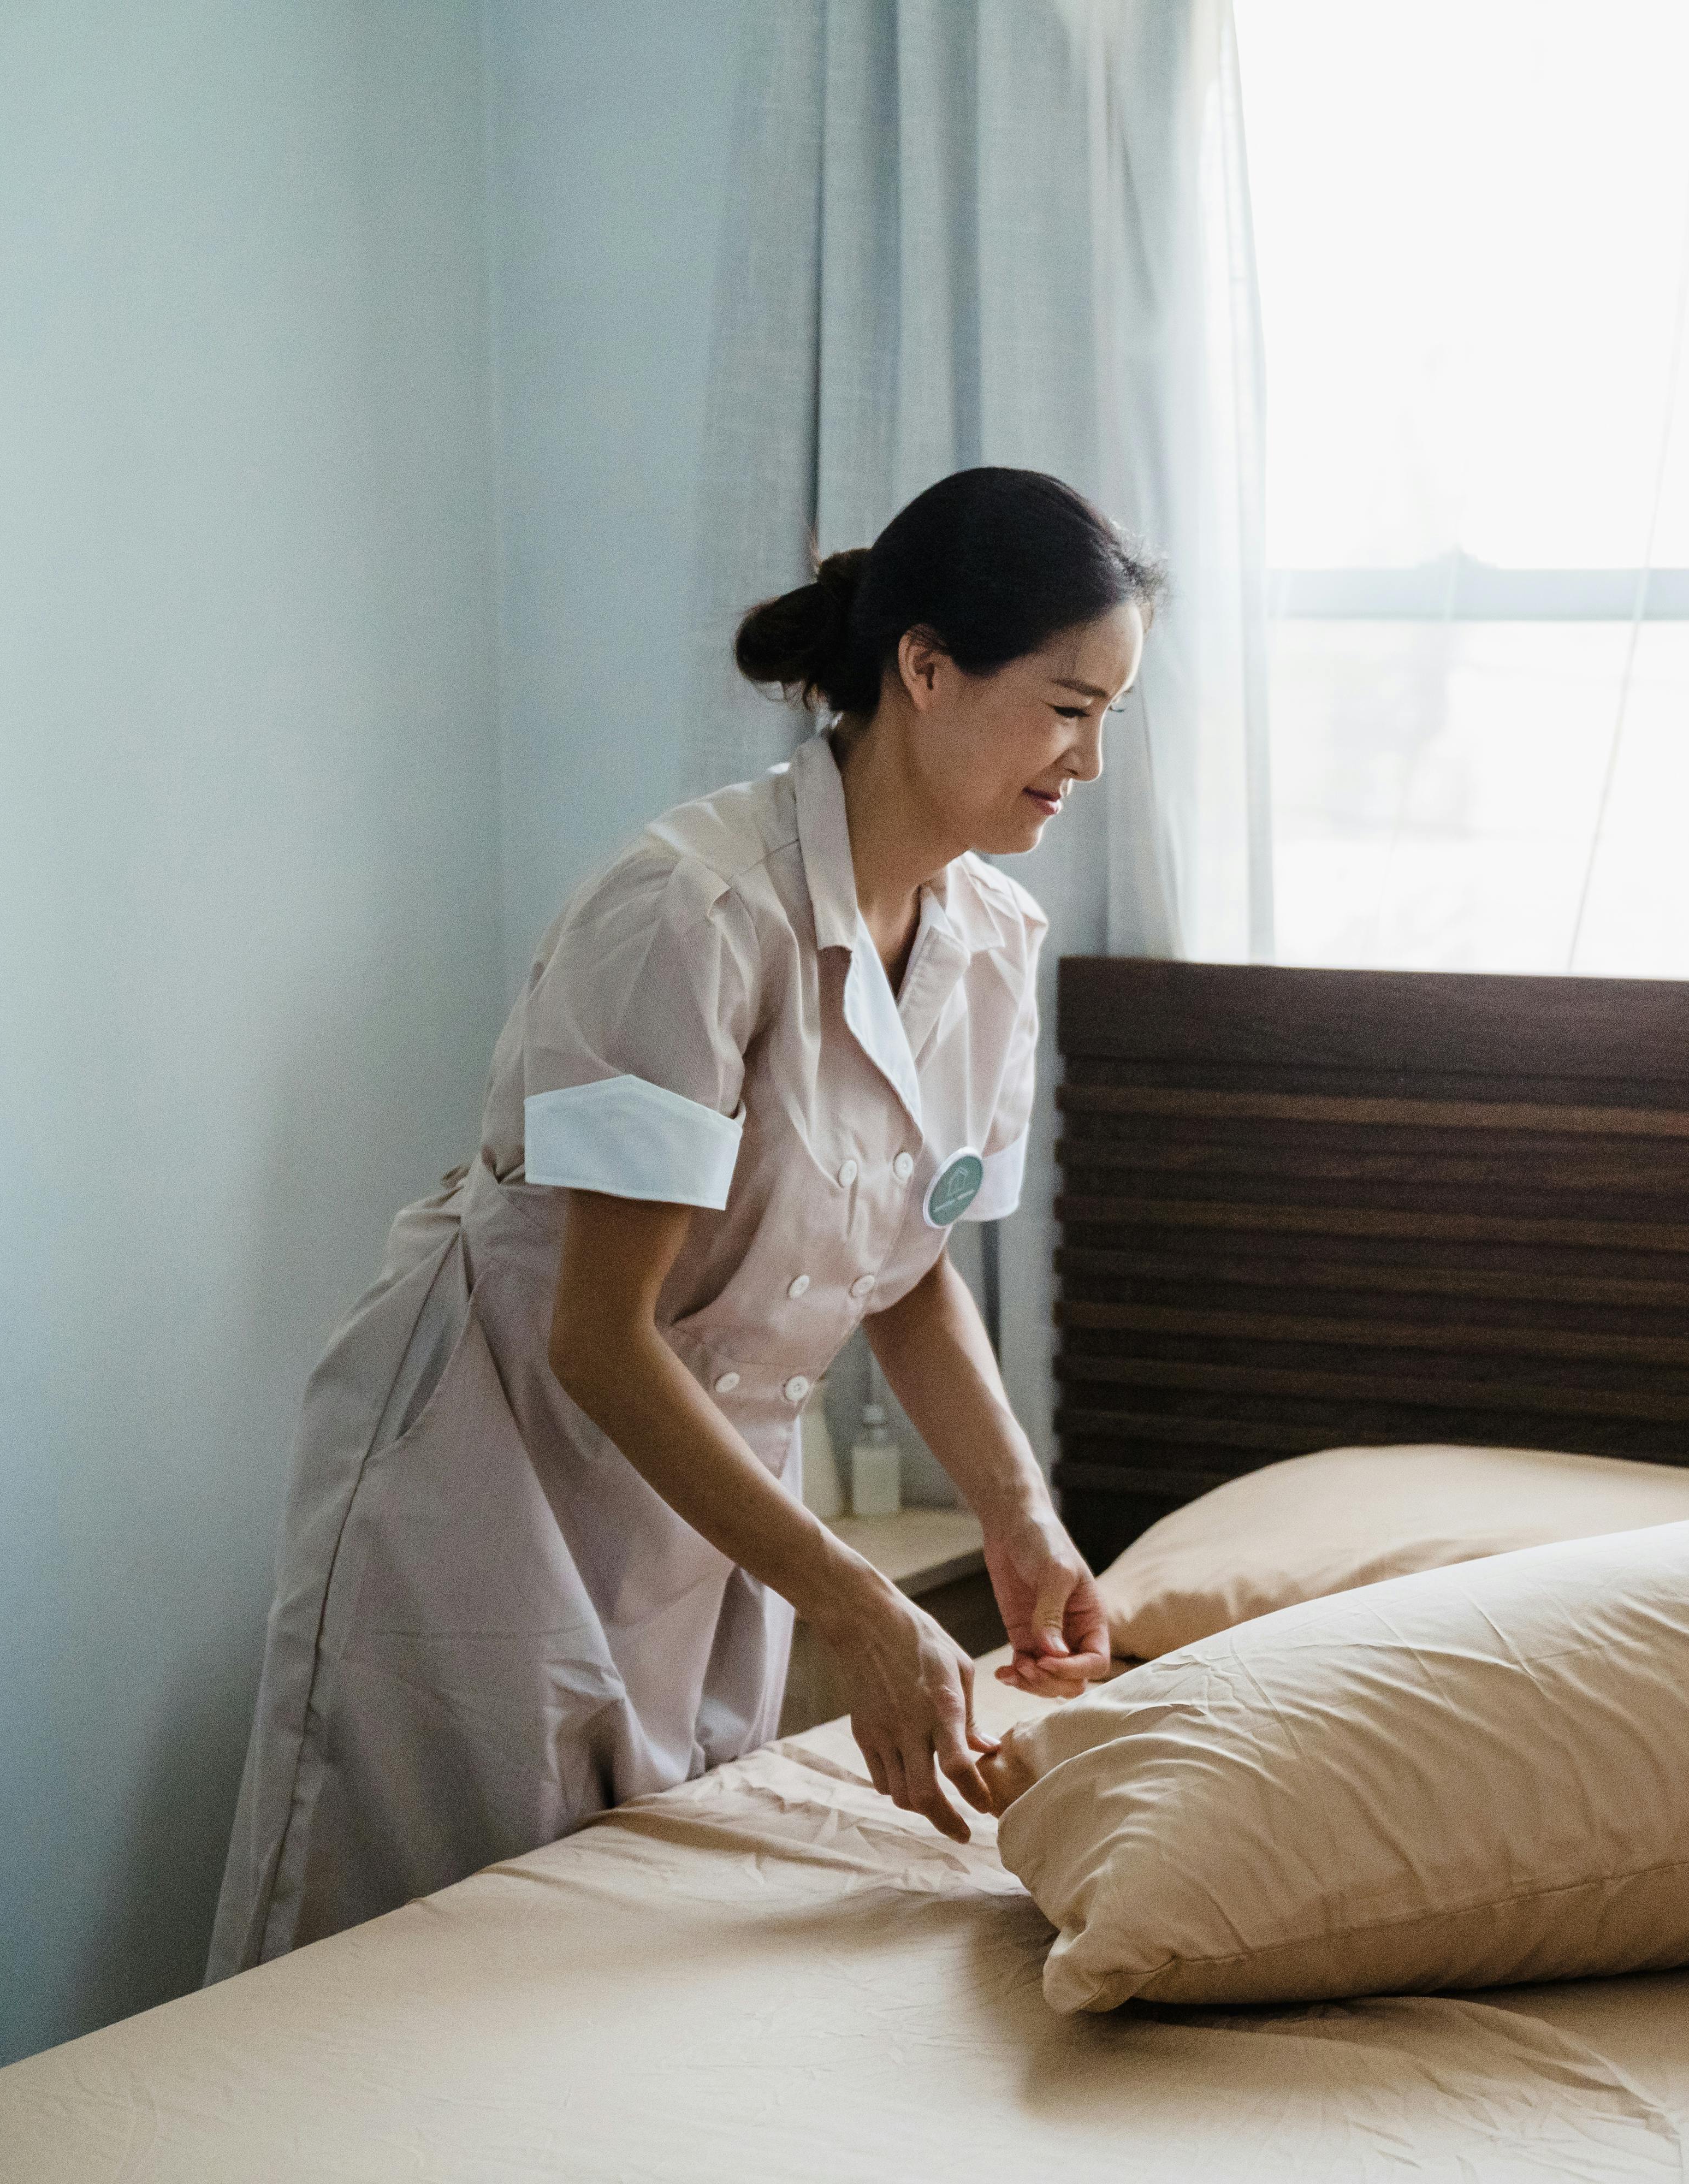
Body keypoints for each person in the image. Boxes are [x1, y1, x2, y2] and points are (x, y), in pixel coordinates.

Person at [208, 467, 1148, 1979]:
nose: (1092, 758)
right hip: (488, 1473)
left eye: (1109, 714)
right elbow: (597, 1333)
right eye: (1067, 706)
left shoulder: (986, 941)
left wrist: (1019, 1522)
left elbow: (904, 1274)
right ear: (924, 668)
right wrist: (853, 1598)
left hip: (697, 1501)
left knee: (607, 1963)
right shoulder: (693, 915)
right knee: (397, 1973)